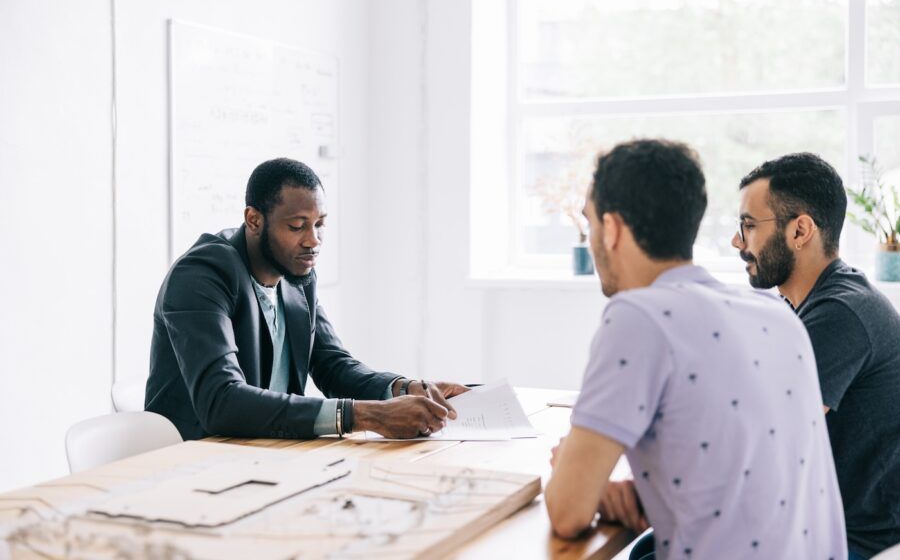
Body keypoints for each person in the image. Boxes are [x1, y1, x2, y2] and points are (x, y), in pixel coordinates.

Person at [544, 139, 846, 559]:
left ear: (611, 228)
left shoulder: (639, 317)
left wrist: (570, 474)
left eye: (590, 222)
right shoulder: (775, 314)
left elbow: (567, 510)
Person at [146, 158, 468, 441]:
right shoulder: (201, 276)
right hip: (197, 462)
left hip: (268, 453)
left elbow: (333, 366)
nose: (313, 241)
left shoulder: (296, 274)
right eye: (297, 226)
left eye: (319, 224)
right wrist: (368, 416)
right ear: (254, 220)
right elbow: (222, 401)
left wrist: (404, 389)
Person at [734, 153, 900, 559]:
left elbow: (760, 440)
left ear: (800, 230)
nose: (738, 242)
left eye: (749, 226)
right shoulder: (811, 304)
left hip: (849, 540)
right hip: (816, 520)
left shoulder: (841, 313)